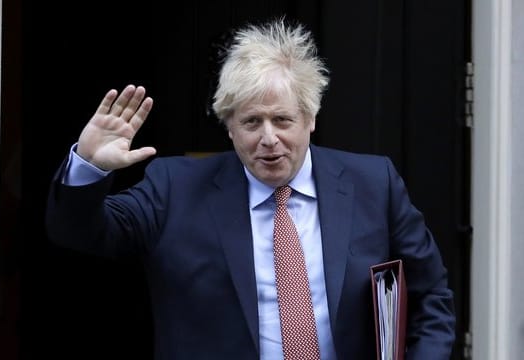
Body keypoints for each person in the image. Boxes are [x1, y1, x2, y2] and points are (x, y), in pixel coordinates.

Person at [46, 18, 456, 360]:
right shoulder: (175, 187)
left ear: (310, 117)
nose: (269, 139)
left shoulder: (373, 183)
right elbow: (81, 234)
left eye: (282, 120)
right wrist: (89, 166)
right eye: (251, 122)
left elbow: (431, 296)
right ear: (228, 126)